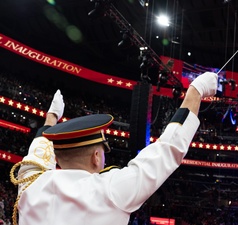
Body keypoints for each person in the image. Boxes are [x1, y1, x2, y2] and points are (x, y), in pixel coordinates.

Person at [10, 72, 218, 225]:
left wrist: (52, 117)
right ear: (95, 156)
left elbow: (38, 151)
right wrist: (195, 91)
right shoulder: (109, 190)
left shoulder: (30, 186)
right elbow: (169, 147)